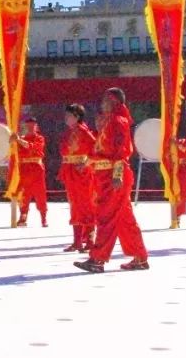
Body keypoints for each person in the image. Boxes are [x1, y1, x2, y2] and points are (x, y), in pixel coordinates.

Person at [74, 87, 149, 273]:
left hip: (114, 177)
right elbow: (100, 150)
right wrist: (87, 161)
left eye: (107, 100)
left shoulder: (119, 121)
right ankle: (140, 257)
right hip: (104, 176)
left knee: (106, 217)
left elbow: (122, 151)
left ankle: (97, 259)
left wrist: (117, 175)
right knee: (124, 219)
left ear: (115, 102)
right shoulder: (108, 122)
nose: (102, 103)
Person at [58, 103, 96, 252]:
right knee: (74, 205)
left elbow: (95, 148)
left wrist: (86, 163)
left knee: (86, 204)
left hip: (82, 173)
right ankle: (77, 241)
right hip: (70, 172)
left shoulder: (84, 131)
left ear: (77, 116)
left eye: (69, 115)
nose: (66, 118)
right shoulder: (68, 132)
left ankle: (90, 240)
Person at [13, 117, 48, 228]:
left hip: (37, 170)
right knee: (23, 194)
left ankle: (43, 217)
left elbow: (33, 148)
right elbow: (14, 151)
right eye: (28, 126)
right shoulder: (21, 138)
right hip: (24, 169)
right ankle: (23, 216)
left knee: (40, 194)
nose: (30, 128)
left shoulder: (40, 138)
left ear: (36, 127)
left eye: (33, 125)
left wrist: (18, 140)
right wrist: (12, 140)